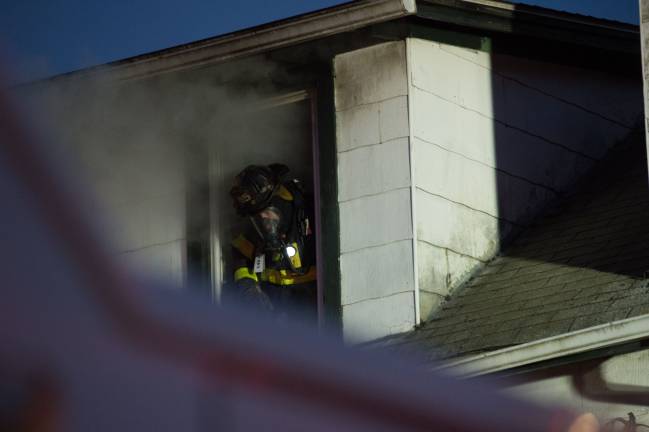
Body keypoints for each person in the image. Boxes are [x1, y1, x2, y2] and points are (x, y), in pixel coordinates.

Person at [228, 163, 317, 320]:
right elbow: (241, 261)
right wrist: (250, 289)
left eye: (265, 213)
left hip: (311, 300)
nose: (262, 219)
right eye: (256, 216)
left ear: (277, 201)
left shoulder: (310, 211)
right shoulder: (252, 225)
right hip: (273, 303)